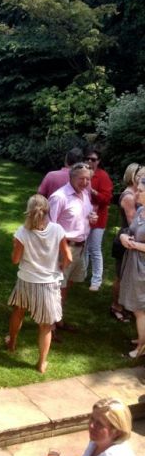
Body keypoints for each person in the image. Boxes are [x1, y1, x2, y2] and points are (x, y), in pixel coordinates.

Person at [7, 194, 72, 373]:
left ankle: (12, 343)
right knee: (45, 326)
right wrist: (61, 267)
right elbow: (68, 257)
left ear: (29, 210)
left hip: (26, 280)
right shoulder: (58, 230)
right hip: (49, 283)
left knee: (18, 312)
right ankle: (42, 363)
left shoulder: (22, 232)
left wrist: (15, 247)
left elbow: (15, 260)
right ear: (47, 210)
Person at [48, 162, 96, 336]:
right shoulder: (59, 197)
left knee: (66, 286)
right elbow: (49, 226)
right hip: (64, 248)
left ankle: (58, 320)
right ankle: (50, 327)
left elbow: (85, 216)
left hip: (80, 248)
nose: (85, 182)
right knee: (56, 286)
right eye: (82, 178)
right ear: (72, 177)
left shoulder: (84, 194)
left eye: (88, 179)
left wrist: (92, 218)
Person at [110, 163, 144, 322]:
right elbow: (133, 224)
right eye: (139, 174)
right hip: (126, 240)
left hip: (132, 241)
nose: (141, 177)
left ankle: (129, 307)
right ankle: (116, 306)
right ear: (132, 175)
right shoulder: (130, 196)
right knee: (121, 276)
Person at [119, 175, 145, 358]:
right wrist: (123, 237)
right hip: (134, 262)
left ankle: (142, 347)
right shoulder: (141, 210)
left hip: (142, 266)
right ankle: (141, 337)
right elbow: (130, 230)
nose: (137, 193)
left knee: (140, 309)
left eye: (141, 190)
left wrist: (135, 245)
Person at [84, 147, 113, 292]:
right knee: (83, 248)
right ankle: (82, 274)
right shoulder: (82, 173)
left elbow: (107, 199)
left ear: (98, 161)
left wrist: (93, 192)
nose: (90, 161)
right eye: (87, 158)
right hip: (83, 218)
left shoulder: (103, 176)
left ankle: (96, 280)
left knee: (94, 249)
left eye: (93, 159)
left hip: (98, 219)